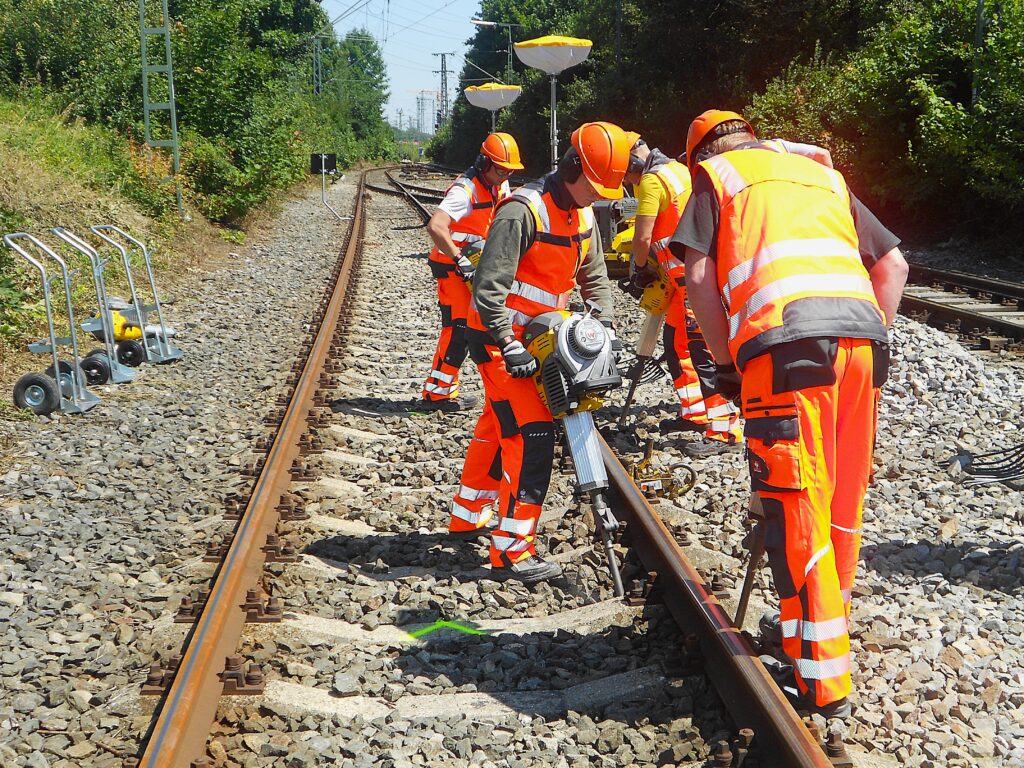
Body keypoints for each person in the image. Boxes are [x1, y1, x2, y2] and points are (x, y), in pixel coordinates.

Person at [671, 109, 908, 718]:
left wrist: (725, 364)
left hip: (786, 351)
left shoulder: (717, 178)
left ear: (699, 156)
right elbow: (893, 268)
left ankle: (822, 679)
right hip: (862, 343)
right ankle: (827, 627)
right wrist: (873, 339)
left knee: (797, 499)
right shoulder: (820, 174)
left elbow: (696, 276)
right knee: (843, 497)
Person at [449, 121, 630, 584]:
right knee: (530, 435)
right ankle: (511, 552)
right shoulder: (522, 211)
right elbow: (488, 289)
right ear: (572, 167)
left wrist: (606, 328)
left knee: (498, 423)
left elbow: (595, 278)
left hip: (540, 339)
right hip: (498, 339)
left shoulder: (584, 217)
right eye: (595, 186)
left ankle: (468, 515)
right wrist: (508, 343)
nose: (599, 197)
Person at [622, 132, 742, 456]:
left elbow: (643, 237)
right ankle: (696, 413)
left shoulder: (651, 181)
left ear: (632, 163)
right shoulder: (675, 169)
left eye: (626, 175)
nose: (628, 182)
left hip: (691, 279)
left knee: (703, 349)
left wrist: (640, 270)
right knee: (677, 344)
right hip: (684, 278)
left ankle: (724, 430)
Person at [420, 133, 524, 411]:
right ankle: (437, 395)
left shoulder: (500, 185)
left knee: (474, 328)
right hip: (453, 268)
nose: (505, 176)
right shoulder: (465, 190)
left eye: (510, 171)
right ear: (483, 163)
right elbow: (436, 226)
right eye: (501, 170)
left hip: (477, 265)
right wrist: (459, 259)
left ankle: (446, 390)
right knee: (458, 330)